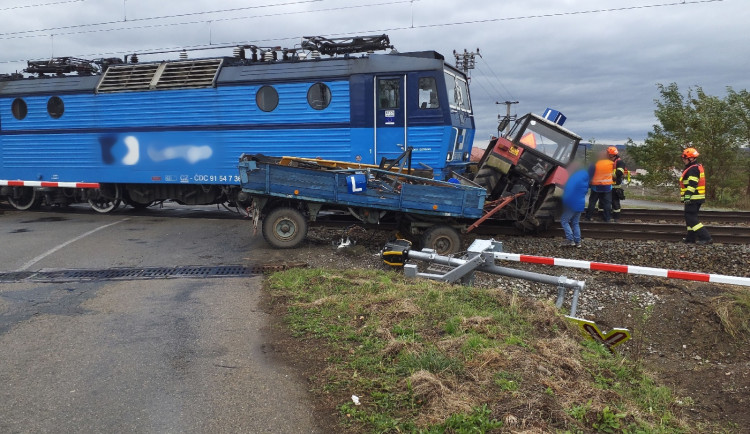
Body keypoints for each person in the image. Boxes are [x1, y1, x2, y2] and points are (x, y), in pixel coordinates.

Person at [680, 147, 712, 244]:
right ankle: (690, 238)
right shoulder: (694, 167)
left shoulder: (693, 169)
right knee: (690, 217)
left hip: (693, 198)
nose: (683, 160)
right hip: (696, 197)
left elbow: (692, 184)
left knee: (690, 217)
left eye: (685, 158)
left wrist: (688, 195)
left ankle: (706, 237)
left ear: (691, 159)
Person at [560, 162, 590, 247]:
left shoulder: (574, 178)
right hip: (580, 203)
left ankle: (570, 240)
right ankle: (578, 242)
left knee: (564, 220)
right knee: (575, 223)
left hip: (572, 203)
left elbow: (568, 191)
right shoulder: (585, 180)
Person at [585, 150, 615, 222]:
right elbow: (614, 174)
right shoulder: (611, 163)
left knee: (592, 202)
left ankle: (588, 217)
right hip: (607, 187)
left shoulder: (594, 163)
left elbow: (589, 175)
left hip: (596, 187)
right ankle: (607, 218)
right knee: (607, 203)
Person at [608, 146, 627, 222]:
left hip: (615, 186)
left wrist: (610, 176)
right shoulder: (610, 161)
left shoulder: (619, 162)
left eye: (608, 154)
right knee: (606, 201)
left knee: (615, 202)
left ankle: (616, 217)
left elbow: (619, 172)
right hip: (608, 185)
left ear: (612, 154)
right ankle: (606, 215)